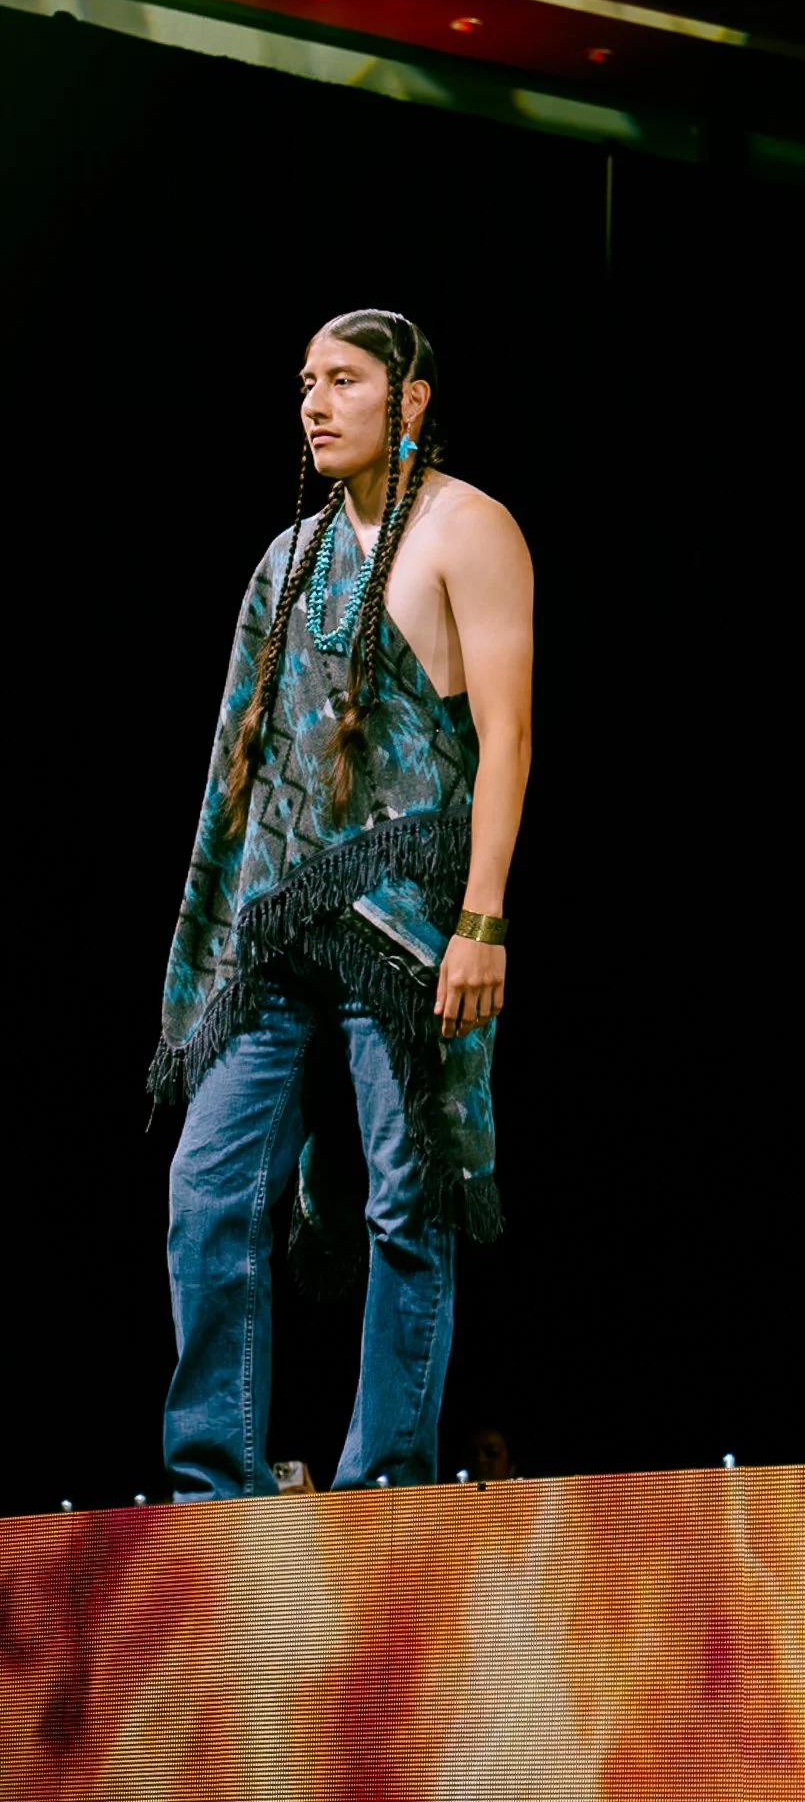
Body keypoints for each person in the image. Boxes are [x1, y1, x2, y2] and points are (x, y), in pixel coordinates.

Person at [151, 310, 533, 1497]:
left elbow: (507, 736)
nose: (316, 404)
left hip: (409, 917)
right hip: (277, 916)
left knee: (404, 1197)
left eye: (345, 381)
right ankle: (214, 1479)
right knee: (207, 1188)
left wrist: (482, 921)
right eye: (306, 384)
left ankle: (387, 1485)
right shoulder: (290, 558)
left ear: (409, 398)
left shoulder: (471, 528)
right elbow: (249, 760)